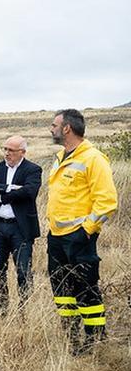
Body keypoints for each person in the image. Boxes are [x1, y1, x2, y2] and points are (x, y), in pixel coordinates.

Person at [47, 109, 117, 354]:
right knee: (62, 290)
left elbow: (107, 202)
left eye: (54, 125)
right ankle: (71, 336)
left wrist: (86, 230)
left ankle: (95, 339)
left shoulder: (93, 158)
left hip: (79, 236)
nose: (51, 128)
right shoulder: (60, 155)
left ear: (67, 128)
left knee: (85, 289)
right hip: (56, 236)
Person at [0, 135, 42, 315]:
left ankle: (25, 311)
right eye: (5, 149)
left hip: (21, 229)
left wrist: (1, 192)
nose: (7, 153)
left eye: (11, 150)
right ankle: (0, 311)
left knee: (23, 271)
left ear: (22, 152)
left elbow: (29, 191)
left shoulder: (33, 169)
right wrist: (11, 188)